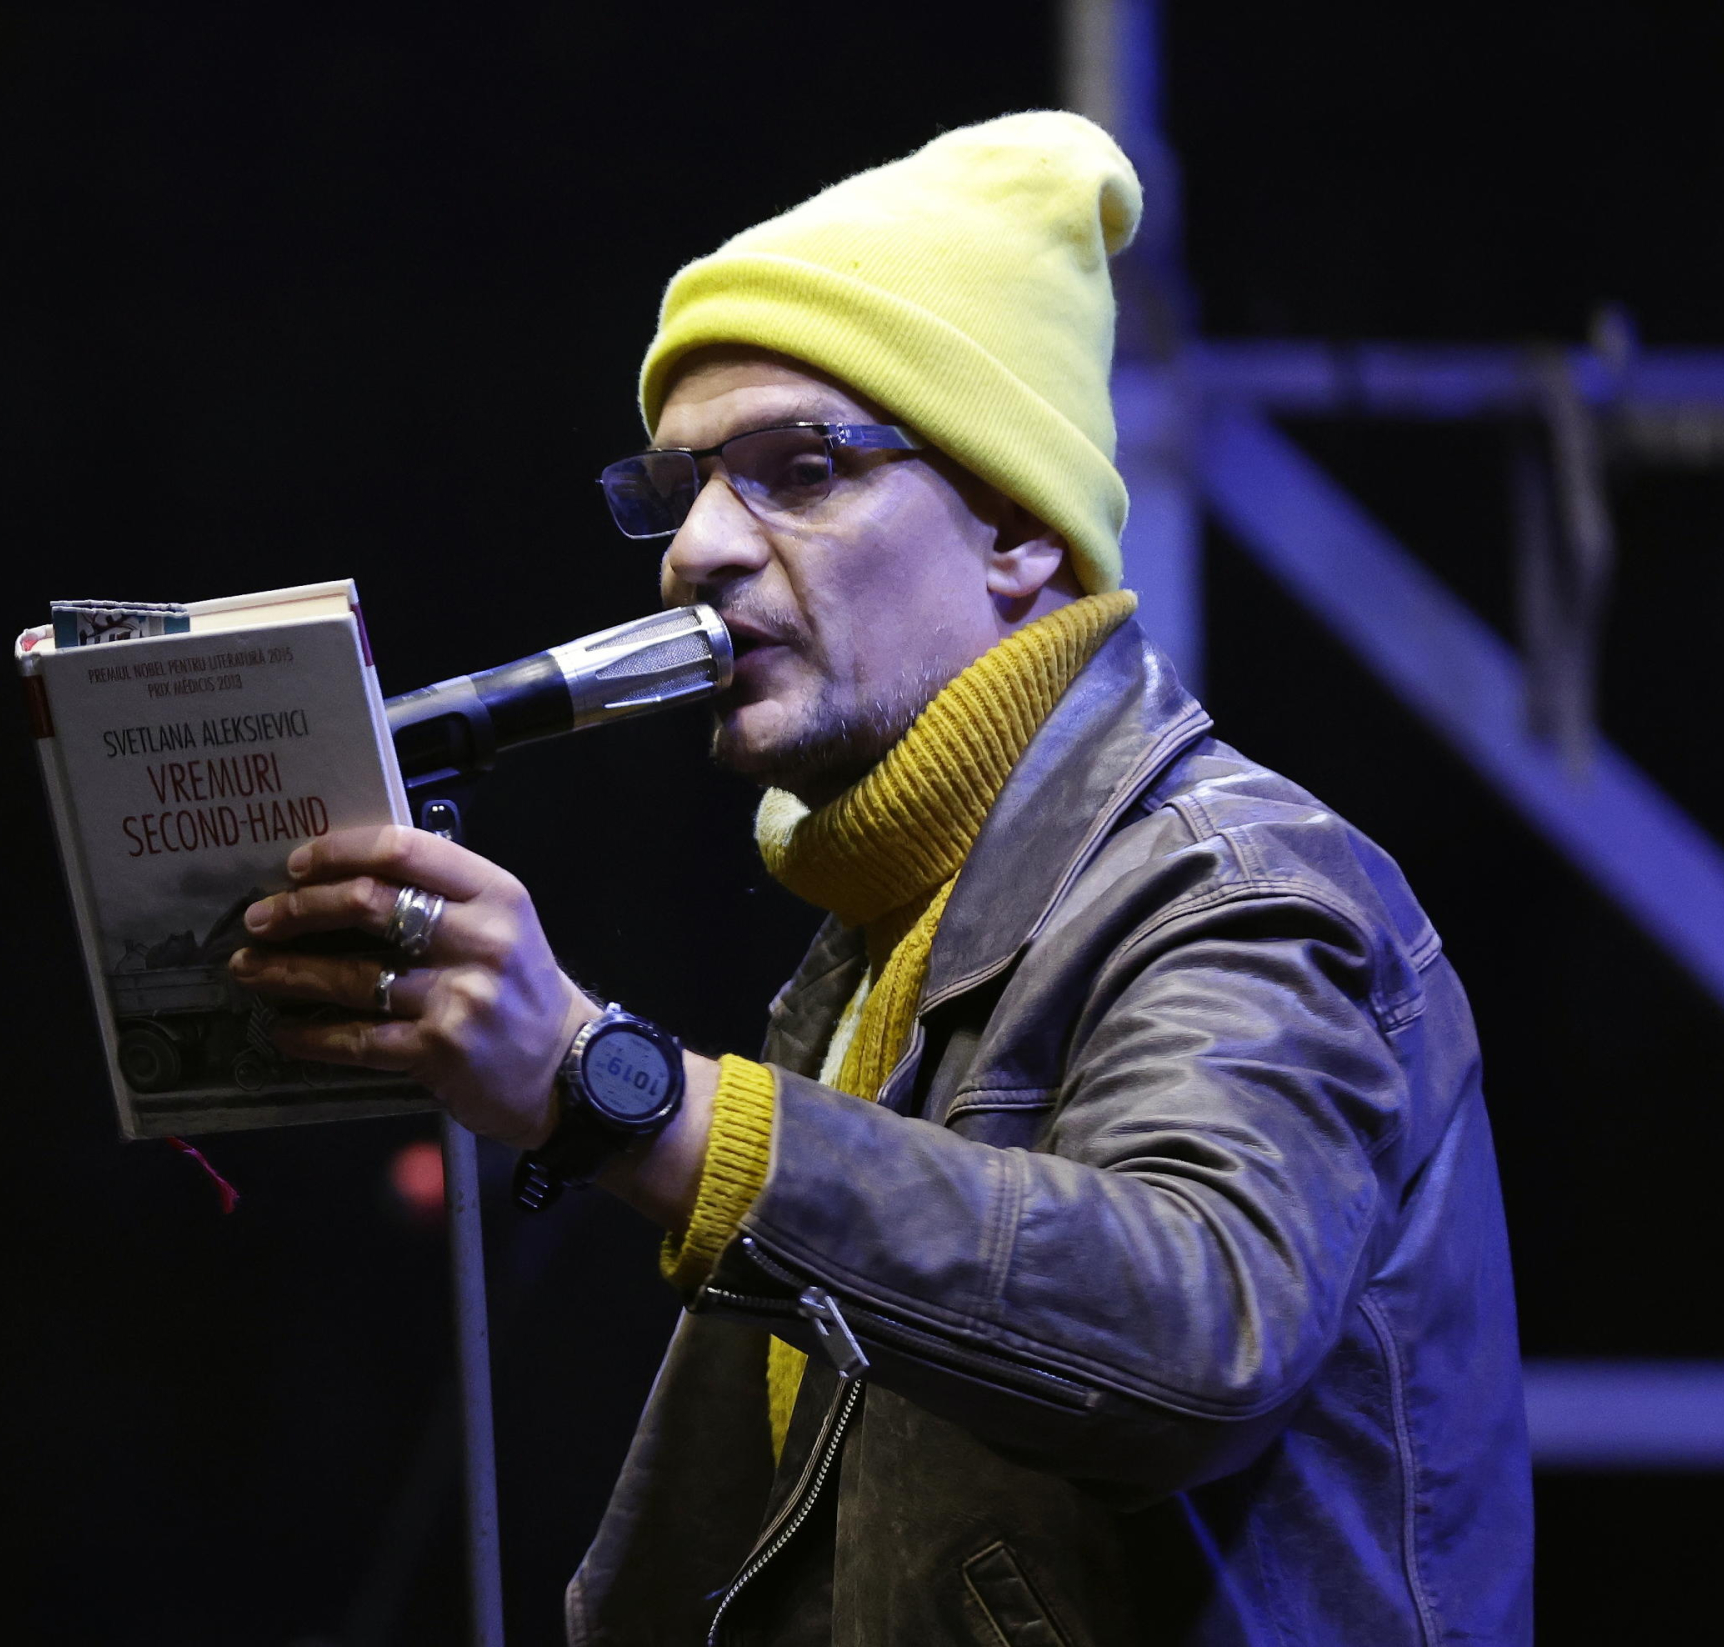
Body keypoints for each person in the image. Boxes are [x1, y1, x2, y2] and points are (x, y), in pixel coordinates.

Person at [229, 111, 1531, 1646]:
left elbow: (1200, 1326)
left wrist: (609, 1088)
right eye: (682, 488)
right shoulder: (879, 942)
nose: (697, 548)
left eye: (799, 469)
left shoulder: (1236, 885)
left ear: (1015, 532)